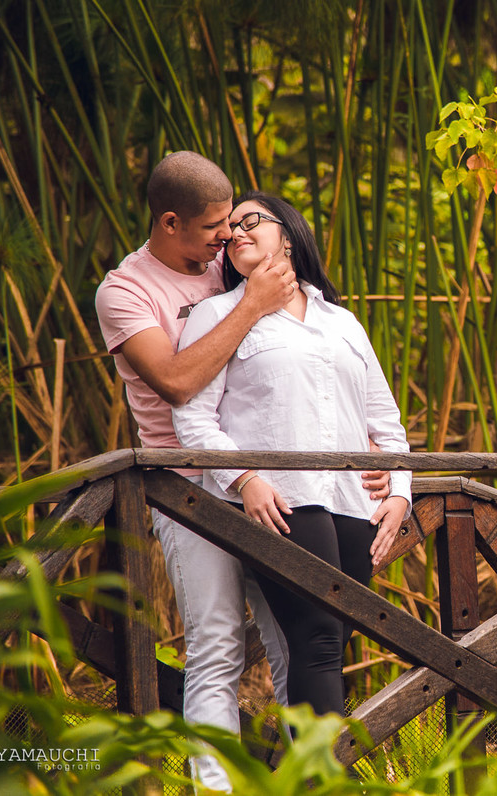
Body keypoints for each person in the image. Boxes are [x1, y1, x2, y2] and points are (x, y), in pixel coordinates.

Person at [94, 152, 390, 791]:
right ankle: (216, 786)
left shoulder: (229, 276)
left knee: (298, 637)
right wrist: (252, 304)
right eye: (214, 230)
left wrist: (394, 480)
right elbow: (176, 386)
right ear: (170, 223)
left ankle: (301, 776)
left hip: (263, 492)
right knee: (217, 642)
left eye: (237, 225)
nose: (227, 238)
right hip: (185, 491)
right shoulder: (126, 291)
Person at [173, 190, 412, 718]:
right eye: (227, 231)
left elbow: (385, 423)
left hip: (351, 503)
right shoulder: (217, 313)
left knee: (331, 643)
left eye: (249, 220)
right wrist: (245, 479)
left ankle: (310, 776)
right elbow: (191, 416)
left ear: (288, 231)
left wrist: (400, 491)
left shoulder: (342, 322)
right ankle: (325, 781)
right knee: (319, 638)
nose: (234, 233)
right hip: (281, 501)